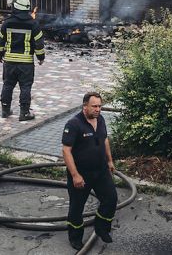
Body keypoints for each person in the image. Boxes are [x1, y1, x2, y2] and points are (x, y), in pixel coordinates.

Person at [62, 92, 118, 250]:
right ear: (84, 106)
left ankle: (101, 228)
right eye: (94, 106)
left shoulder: (100, 120)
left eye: (100, 106)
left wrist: (109, 161)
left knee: (111, 199)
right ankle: (75, 238)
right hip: (81, 174)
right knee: (76, 208)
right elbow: (66, 151)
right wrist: (75, 175)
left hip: (100, 171)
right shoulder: (73, 124)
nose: (98, 109)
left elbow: (105, 139)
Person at [0, 0, 45, 121]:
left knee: (7, 84)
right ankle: (24, 113)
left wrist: (0, 55)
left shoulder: (7, 23)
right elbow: (39, 43)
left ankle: (5, 111)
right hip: (26, 63)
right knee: (25, 86)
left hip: (10, 61)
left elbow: (0, 41)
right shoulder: (33, 24)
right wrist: (40, 57)